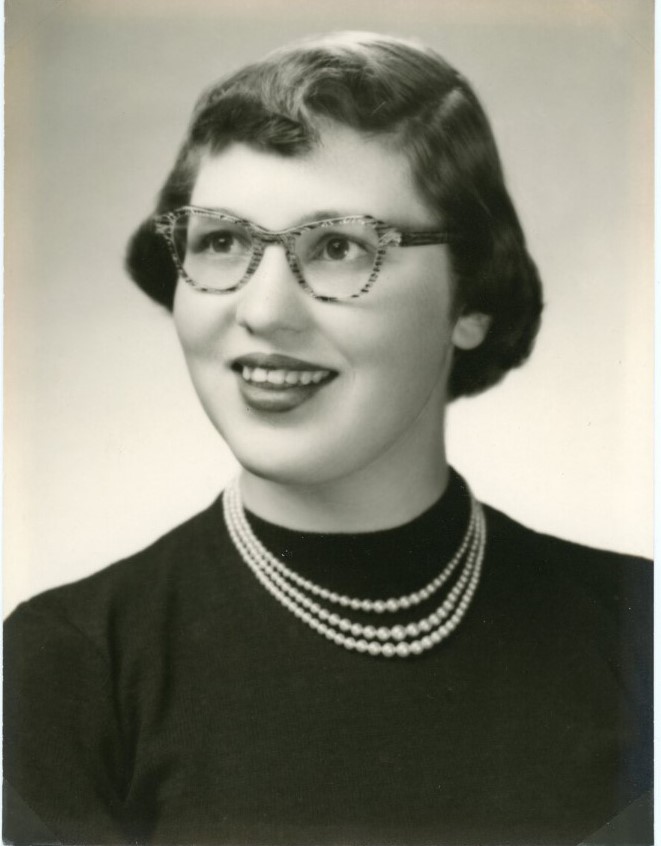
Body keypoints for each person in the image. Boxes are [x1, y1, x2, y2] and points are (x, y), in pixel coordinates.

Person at [3, 31, 652, 846]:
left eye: (340, 247)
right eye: (222, 241)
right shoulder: (66, 668)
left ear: (471, 300)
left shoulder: (635, 634)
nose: (265, 311)